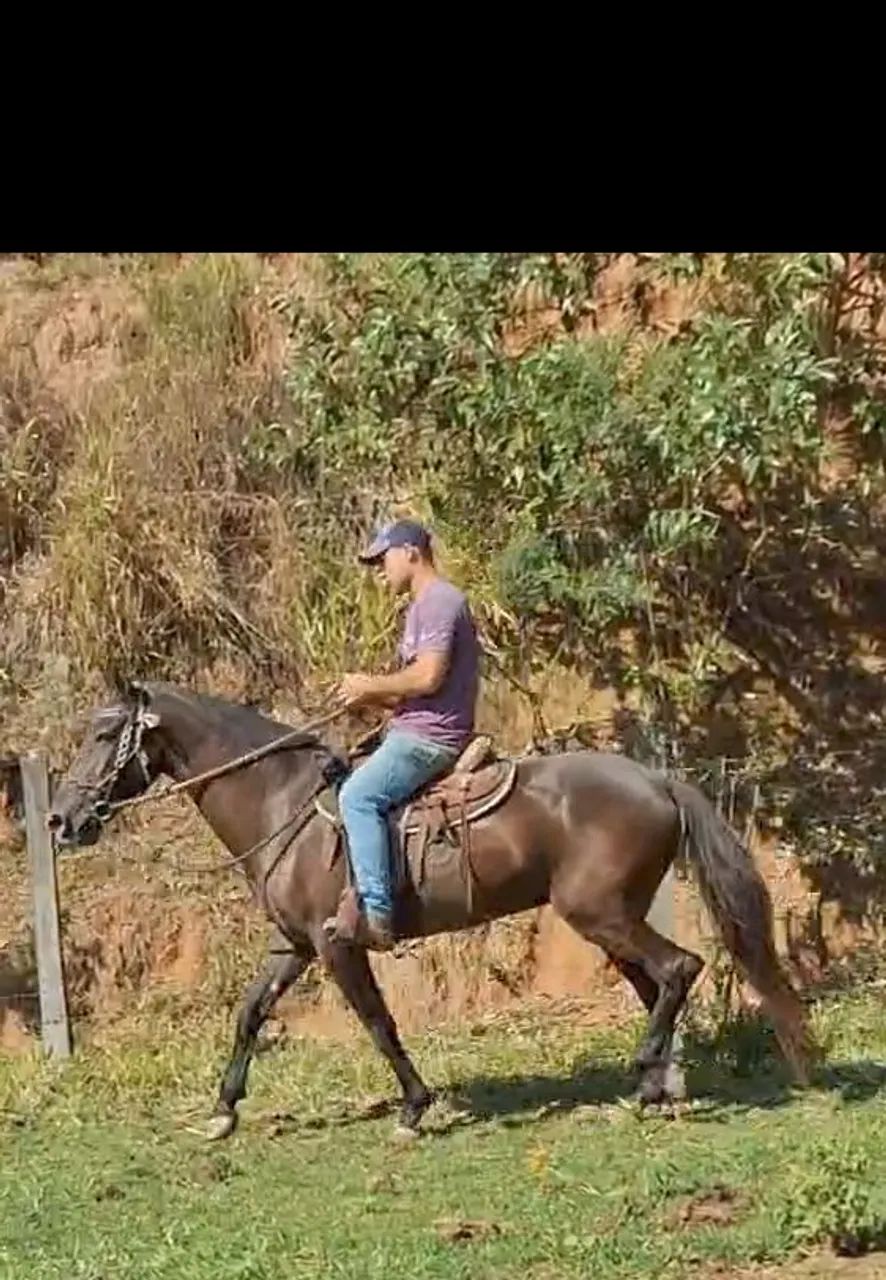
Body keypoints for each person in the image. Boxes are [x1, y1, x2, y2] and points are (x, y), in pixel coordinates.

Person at [324, 519, 480, 950]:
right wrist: (366, 698)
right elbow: (415, 690)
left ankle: (377, 915)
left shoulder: (440, 601)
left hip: (429, 739)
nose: (379, 571)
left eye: (383, 559)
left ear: (411, 553)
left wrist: (370, 684)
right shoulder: (419, 608)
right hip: (414, 728)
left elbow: (428, 677)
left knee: (357, 797)